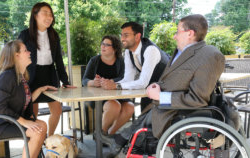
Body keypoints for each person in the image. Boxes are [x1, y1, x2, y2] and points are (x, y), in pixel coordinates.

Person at [101, 14, 225, 157]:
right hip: (163, 105)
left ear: (190, 33)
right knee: (144, 117)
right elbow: (173, 79)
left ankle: (119, 142)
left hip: (178, 111)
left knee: (146, 118)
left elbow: (197, 99)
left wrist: (161, 95)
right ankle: (120, 141)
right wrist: (157, 86)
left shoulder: (210, 55)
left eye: (178, 32)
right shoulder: (183, 52)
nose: (174, 36)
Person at [0, 40, 57, 158]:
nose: (29, 52)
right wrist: (24, 121)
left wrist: (40, 89)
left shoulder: (20, 76)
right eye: (25, 50)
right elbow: (0, 107)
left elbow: (25, 99)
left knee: (42, 125)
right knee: (37, 131)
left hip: (8, 121)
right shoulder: (7, 76)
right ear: (16, 56)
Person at [18, 2, 75, 136]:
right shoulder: (25, 35)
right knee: (33, 113)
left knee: (57, 111)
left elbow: (59, 61)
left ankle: (49, 139)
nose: (49, 17)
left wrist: (65, 81)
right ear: (35, 15)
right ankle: (36, 140)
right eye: (45, 13)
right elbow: (17, 57)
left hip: (49, 75)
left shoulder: (54, 35)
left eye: (51, 14)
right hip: (32, 76)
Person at [101, 22, 169, 112]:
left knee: (150, 116)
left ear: (137, 36)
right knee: (144, 115)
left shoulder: (150, 50)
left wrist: (116, 86)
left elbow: (142, 83)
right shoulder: (128, 52)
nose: (122, 39)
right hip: (152, 89)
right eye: (121, 35)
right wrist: (111, 83)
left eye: (126, 35)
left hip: (168, 90)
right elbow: (128, 79)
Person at [82, 35, 134, 134]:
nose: (103, 46)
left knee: (130, 107)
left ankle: (110, 133)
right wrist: (93, 82)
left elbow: (124, 78)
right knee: (114, 106)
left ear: (114, 48)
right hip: (98, 97)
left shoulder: (121, 61)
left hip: (118, 94)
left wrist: (110, 82)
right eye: (102, 44)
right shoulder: (94, 61)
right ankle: (101, 134)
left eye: (107, 45)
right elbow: (84, 80)